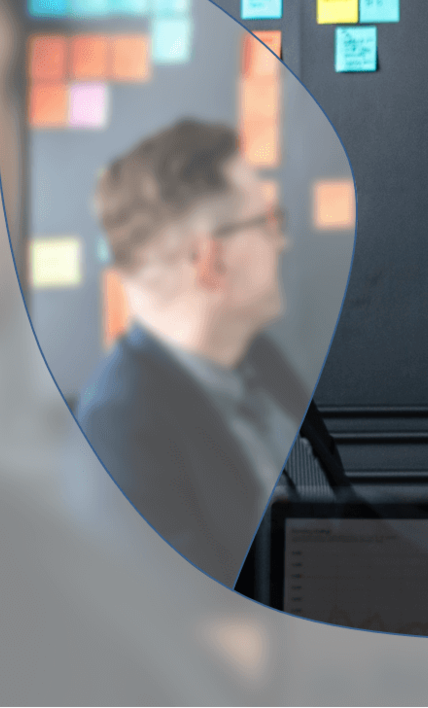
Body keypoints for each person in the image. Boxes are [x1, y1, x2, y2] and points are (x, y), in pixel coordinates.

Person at [76, 119, 350, 587]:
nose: (282, 241)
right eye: (266, 223)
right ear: (212, 263)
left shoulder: (258, 359)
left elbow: (341, 513)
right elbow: (204, 624)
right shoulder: (120, 436)